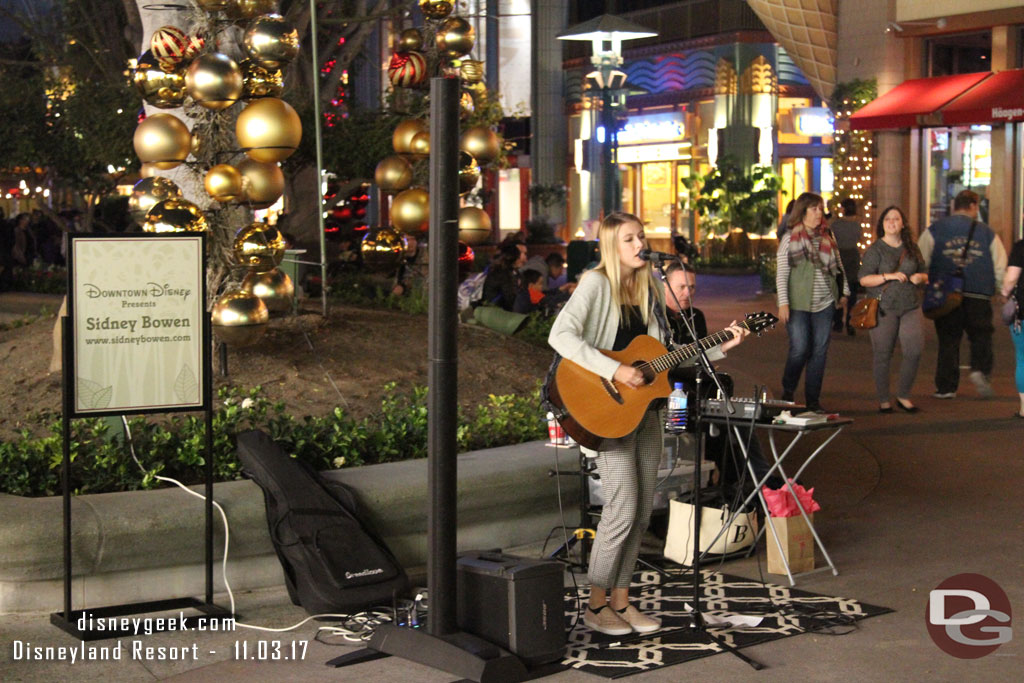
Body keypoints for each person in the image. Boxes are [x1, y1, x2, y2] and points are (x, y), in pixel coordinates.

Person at [547, 212, 671, 637]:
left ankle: (622, 600)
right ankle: (595, 605)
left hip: (645, 412)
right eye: (630, 239)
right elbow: (561, 336)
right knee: (621, 505)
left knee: (640, 512)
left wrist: (723, 344)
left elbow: (659, 360)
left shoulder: (649, 288)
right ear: (612, 248)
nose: (640, 245)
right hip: (607, 411)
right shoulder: (596, 283)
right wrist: (614, 372)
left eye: (641, 236)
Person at [918, 190, 1007, 399]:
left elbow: (921, 258)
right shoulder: (987, 233)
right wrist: (1000, 289)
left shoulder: (935, 229)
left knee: (948, 339)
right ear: (974, 205)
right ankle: (980, 370)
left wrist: (925, 282)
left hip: (947, 293)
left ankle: (946, 387)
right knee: (981, 335)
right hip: (979, 293)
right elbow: (1000, 264)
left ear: (954, 206)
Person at [775, 192, 850, 412]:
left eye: (821, 208)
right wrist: (783, 303)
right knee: (800, 349)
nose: (820, 213)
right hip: (797, 304)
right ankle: (788, 389)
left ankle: (813, 400)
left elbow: (838, 265)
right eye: (814, 208)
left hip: (825, 303)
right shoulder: (790, 239)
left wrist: (844, 292)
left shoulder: (828, 236)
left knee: (819, 351)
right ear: (803, 211)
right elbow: (782, 274)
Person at [859, 206, 928, 413]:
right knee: (883, 354)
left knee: (914, 350)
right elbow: (864, 278)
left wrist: (920, 278)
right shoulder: (875, 249)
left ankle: (903, 395)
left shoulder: (912, 247)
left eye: (896, 219)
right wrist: (888, 276)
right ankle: (883, 399)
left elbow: (924, 272)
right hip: (883, 307)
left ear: (903, 223)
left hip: (910, 305)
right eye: (887, 219)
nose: (891, 222)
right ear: (882, 224)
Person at [1000, 237, 1024, 418]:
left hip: (1023, 313)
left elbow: (1011, 279)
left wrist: (1004, 293)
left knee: (1023, 358)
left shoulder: (1021, 246)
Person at [830, 198, 862, 335]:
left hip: (840, 255)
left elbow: (831, 237)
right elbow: (858, 238)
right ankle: (850, 321)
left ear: (843, 209)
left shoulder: (836, 225)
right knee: (852, 290)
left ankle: (837, 321)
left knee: (838, 287)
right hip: (853, 257)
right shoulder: (857, 226)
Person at [481, 240, 527, 311]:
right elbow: (509, 298)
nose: (522, 259)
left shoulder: (514, 272)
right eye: (519, 257)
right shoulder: (501, 274)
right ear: (512, 258)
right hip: (495, 311)